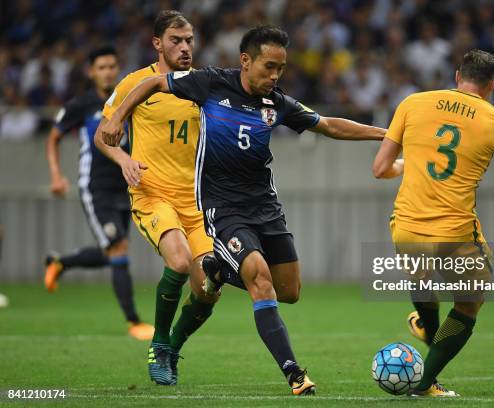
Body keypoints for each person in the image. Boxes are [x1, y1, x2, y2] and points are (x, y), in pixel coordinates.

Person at [100, 25, 385, 396]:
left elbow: (329, 125)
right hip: (221, 207)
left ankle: (215, 277)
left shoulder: (277, 103)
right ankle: (294, 373)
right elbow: (154, 84)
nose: (274, 76)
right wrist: (119, 115)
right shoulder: (211, 84)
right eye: (268, 67)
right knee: (257, 276)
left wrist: (387, 134)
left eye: (280, 69)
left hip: (265, 207)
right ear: (246, 61)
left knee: (289, 291)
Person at [372, 49, 494, 397]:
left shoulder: (413, 103)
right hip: (455, 233)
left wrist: (408, 165)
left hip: (406, 226)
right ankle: (424, 384)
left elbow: (380, 169)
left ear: (457, 77)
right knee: (469, 302)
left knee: (423, 283)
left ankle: (426, 325)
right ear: (492, 85)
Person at [94, 11, 220, 386]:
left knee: (209, 288)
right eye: (176, 41)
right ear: (157, 44)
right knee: (179, 261)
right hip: (152, 194)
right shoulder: (135, 83)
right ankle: (158, 344)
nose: (185, 48)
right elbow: (104, 134)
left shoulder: (202, 84)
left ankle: (172, 345)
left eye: (189, 41)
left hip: (196, 203)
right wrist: (124, 160)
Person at [44, 46, 153, 341]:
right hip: (95, 187)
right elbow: (54, 137)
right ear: (91, 71)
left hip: (126, 186)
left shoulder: (128, 100)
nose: (107, 72)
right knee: (117, 249)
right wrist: (56, 174)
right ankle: (134, 322)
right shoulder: (82, 104)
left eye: (111, 66)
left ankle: (61, 262)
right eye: (101, 67)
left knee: (113, 252)